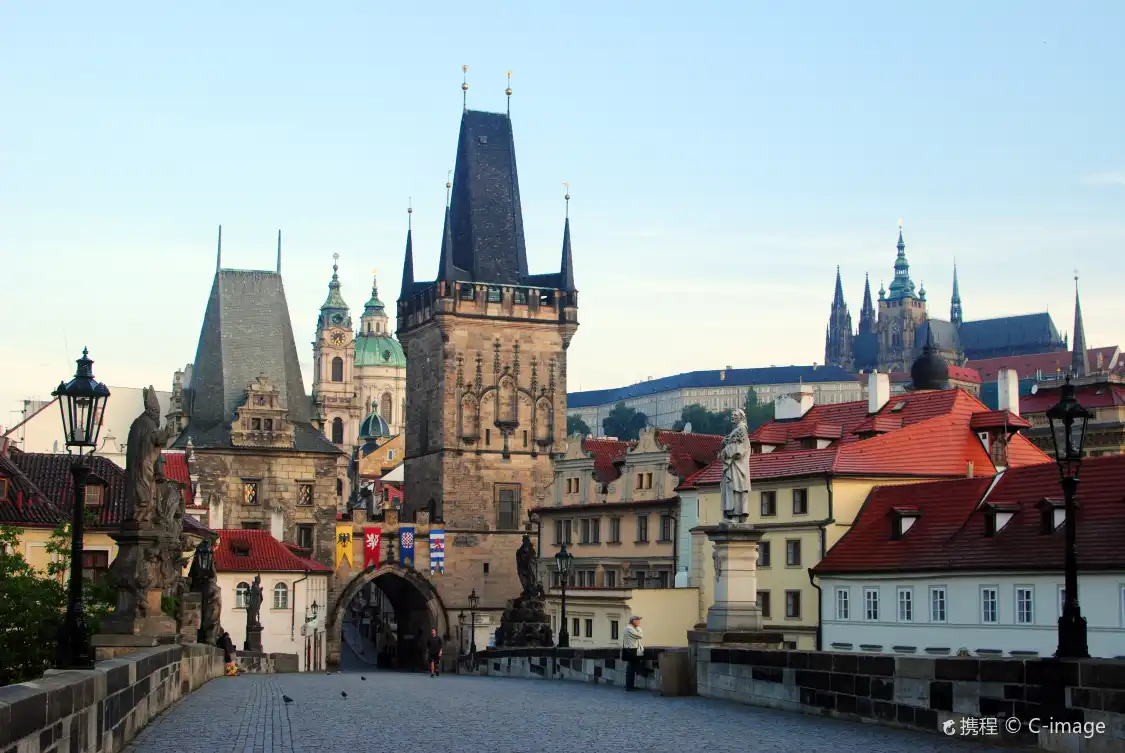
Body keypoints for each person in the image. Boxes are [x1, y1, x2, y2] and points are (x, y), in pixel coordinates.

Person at [622, 615, 644, 691]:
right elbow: (640, 636)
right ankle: (629, 686)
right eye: (638, 620)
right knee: (631, 668)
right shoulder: (629, 628)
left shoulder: (631, 628)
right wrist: (638, 628)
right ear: (633, 621)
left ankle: (630, 685)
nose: (639, 622)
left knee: (632, 668)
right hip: (631, 650)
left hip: (632, 650)